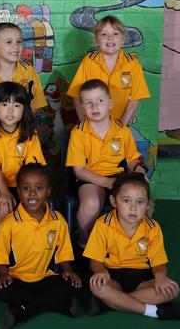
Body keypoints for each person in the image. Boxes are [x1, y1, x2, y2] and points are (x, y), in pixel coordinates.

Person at [84, 172, 180, 321]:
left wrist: (161, 277)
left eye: (140, 202)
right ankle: (154, 311)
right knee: (98, 287)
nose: (133, 208)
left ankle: (110, 303)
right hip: (113, 277)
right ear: (114, 201)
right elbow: (95, 261)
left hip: (142, 279)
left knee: (173, 289)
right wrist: (101, 272)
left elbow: (158, 263)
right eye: (127, 201)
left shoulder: (153, 228)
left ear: (147, 205)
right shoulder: (103, 224)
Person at [0, 163, 82, 328]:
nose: (32, 193)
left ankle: (21, 311)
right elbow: (0, 254)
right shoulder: (9, 223)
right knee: (1, 290)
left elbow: (64, 253)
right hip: (17, 279)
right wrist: (4, 274)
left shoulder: (58, 220)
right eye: (26, 188)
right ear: (18, 192)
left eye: (39, 188)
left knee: (73, 284)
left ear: (48, 191)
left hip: (45, 278)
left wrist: (68, 271)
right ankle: (59, 304)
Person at [66, 79, 146, 246]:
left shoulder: (122, 130)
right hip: (90, 179)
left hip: (118, 177)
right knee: (90, 203)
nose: (94, 107)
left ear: (110, 103)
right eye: (88, 103)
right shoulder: (78, 133)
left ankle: (129, 246)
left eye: (100, 101)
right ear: (81, 107)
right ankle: (85, 245)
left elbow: (132, 159)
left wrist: (138, 169)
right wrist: (106, 182)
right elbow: (79, 171)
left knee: (136, 198)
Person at [0, 82, 47, 231]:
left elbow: (33, 170)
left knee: (33, 209)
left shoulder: (29, 135)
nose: (10, 111)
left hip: (23, 184)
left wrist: (26, 193)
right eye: (4, 105)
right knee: (5, 207)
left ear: (24, 109)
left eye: (16, 106)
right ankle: (1, 251)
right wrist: (5, 192)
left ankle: (27, 249)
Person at [66, 15, 150, 125]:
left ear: (124, 39)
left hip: (120, 124)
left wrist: (122, 125)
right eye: (104, 34)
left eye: (115, 34)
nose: (110, 38)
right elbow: (76, 95)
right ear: (96, 40)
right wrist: (84, 123)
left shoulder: (132, 64)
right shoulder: (89, 62)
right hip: (92, 126)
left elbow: (136, 98)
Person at [0, 22, 47, 122]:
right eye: (9, 42)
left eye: (19, 41)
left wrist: (21, 125)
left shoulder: (28, 70)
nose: (16, 46)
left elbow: (37, 102)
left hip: (23, 131)